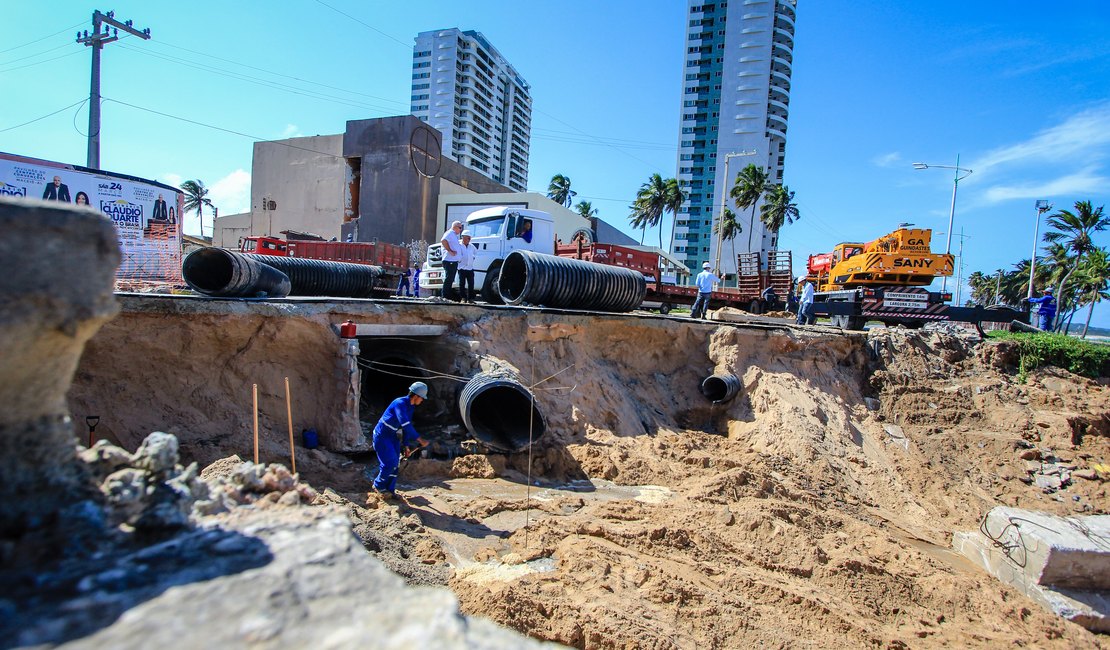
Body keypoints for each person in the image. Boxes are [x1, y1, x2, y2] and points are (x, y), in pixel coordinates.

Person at [368, 382, 430, 499]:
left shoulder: (410, 407)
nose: (422, 401)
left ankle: (390, 490)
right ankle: (378, 485)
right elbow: (405, 424)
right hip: (382, 436)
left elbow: (406, 428)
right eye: (422, 398)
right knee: (389, 463)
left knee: (395, 464)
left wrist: (406, 446)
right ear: (416, 396)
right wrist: (420, 440)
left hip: (391, 436)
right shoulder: (399, 403)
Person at [440, 220, 464, 300]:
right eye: (460, 227)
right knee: (449, 278)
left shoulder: (453, 235)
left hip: (453, 261)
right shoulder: (449, 233)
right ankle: (445, 295)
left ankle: (448, 295)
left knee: (451, 278)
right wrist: (450, 250)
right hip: (449, 260)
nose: (460, 230)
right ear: (455, 227)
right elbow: (443, 241)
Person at [457, 229, 478, 303]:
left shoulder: (471, 246)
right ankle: (463, 298)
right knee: (462, 284)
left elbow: (475, 253)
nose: (469, 239)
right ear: (463, 237)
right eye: (468, 238)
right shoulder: (458, 245)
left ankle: (470, 299)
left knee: (471, 284)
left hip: (470, 268)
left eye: (470, 238)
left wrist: (473, 258)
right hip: (462, 268)